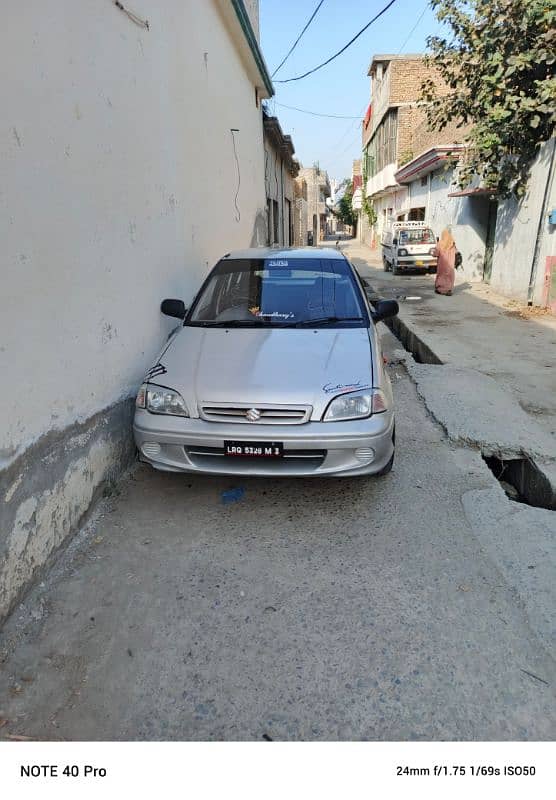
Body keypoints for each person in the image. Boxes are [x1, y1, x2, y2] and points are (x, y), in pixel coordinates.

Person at [433, 228, 457, 295]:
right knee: (449, 276)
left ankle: (440, 289)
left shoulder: (440, 243)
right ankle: (448, 289)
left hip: (442, 263)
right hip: (450, 264)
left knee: (441, 275)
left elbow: (436, 253)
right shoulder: (452, 243)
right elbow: (456, 252)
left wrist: (432, 253)